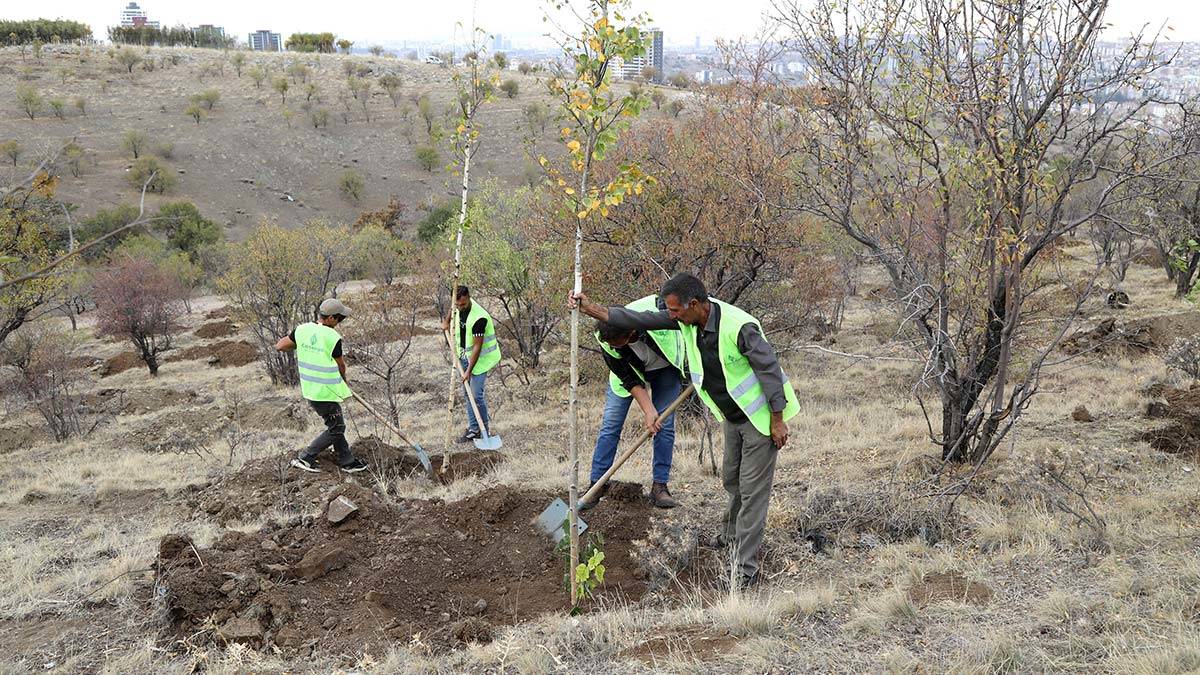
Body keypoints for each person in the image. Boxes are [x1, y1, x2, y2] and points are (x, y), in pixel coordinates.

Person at [570, 273, 801, 589]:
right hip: (733, 417)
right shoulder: (688, 321)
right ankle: (728, 537)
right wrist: (591, 309)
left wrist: (777, 419)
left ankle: (745, 569)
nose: (671, 316)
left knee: (752, 493)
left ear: (694, 304)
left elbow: (769, 370)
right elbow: (638, 318)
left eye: (675, 310)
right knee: (731, 480)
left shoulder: (739, 326)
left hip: (760, 420)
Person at [584, 295, 687, 510]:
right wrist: (648, 409)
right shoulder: (605, 336)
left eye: (617, 344)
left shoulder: (656, 313)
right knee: (610, 425)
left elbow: (690, 327)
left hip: (665, 367)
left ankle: (660, 487)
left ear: (630, 334)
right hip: (628, 373)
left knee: (664, 425)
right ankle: (596, 485)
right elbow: (627, 377)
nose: (612, 346)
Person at [276, 298, 368, 474]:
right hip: (325, 391)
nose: (340, 322)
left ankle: (347, 461)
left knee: (335, 423)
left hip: (310, 388)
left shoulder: (302, 330)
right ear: (331, 318)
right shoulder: (332, 337)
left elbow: (280, 346)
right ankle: (306, 457)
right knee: (337, 428)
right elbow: (341, 366)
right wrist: (344, 383)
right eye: (340, 318)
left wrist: (302, 345)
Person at [442, 285, 500, 443]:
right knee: (468, 394)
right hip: (463, 356)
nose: (460, 307)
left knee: (475, 395)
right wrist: (446, 321)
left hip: (481, 359)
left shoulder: (479, 317)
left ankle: (484, 430)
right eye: (457, 305)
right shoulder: (457, 306)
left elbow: (477, 347)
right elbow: (453, 309)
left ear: (468, 297)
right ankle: (474, 429)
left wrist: (468, 371)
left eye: (463, 304)